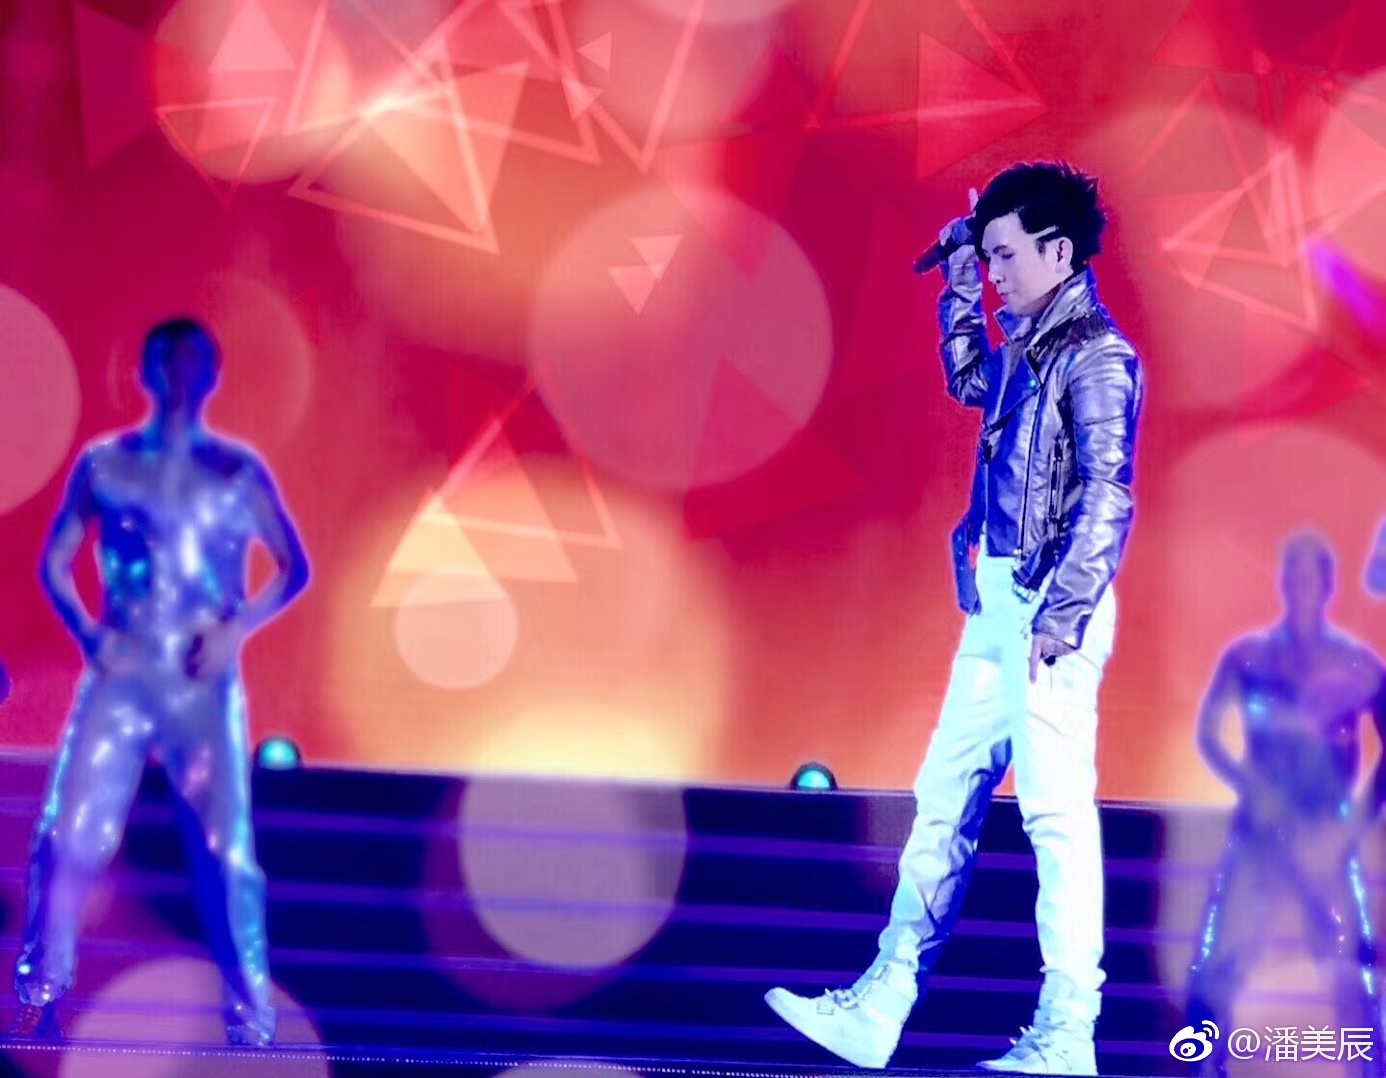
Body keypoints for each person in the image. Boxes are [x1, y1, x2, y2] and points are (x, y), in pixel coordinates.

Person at [765, 162, 1144, 1074]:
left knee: (1055, 815)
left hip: (1054, 608)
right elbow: (970, 380)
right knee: (944, 797)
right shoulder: (1027, 347)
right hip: (1001, 599)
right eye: (990, 256)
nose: (998, 271)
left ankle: (1068, 1031)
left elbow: (1109, 494)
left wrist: (1064, 610)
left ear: (1059, 251)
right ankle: (882, 1001)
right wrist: (960, 281)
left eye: (1006, 255)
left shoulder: (1098, 357)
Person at [9, 318, 310, 1047]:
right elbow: (55, 562)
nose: (180, 373)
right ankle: (41, 989)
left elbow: (292, 567)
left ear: (213, 375)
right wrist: (92, 637)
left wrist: (235, 628)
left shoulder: (235, 470)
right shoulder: (106, 464)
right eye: (167, 360)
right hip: (123, 671)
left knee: (224, 850)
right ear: (145, 373)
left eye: (193, 361)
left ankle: (250, 1016)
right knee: (68, 834)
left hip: (200, 679)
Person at [1185, 533, 1386, 1077]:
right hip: (1259, 830)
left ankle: (1372, 1070)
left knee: (1351, 966)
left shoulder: (1356, 664)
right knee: (1221, 960)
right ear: (1282, 582)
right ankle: (1201, 1067)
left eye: (1309, 576)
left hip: (1325, 832)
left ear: (1327, 585)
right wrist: (1249, 785)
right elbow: (1208, 733)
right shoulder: (1249, 656)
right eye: (1291, 575)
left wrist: (1357, 822)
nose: (1300, 586)